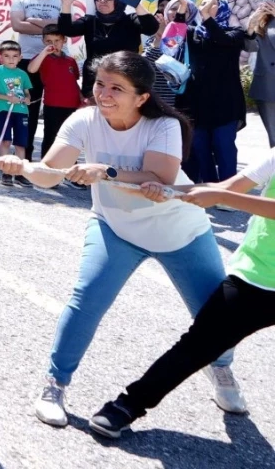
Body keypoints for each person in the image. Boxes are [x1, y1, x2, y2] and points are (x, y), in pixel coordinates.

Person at [0, 51, 244, 427]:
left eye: (117, 88)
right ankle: (55, 385)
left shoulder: (164, 125)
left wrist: (105, 170)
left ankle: (221, 368)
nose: (104, 94)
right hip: (114, 228)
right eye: (100, 84)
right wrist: (26, 168)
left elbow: (160, 178)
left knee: (215, 315)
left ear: (142, 97)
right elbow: (50, 173)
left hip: (179, 231)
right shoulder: (83, 119)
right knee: (85, 301)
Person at [87, 148, 275, 439]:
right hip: (257, 277)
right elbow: (228, 187)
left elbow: (226, 196)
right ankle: (128, 405)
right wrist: (167, 190)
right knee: (198, 345)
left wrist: (221, 197)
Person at [178, 0, 248, 184]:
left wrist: (207, 18)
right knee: (200, 148)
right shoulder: (194, 33)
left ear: (223, 8)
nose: (207, 6)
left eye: (213, 3)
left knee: (223, 147)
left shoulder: (235, 33)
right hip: (197, 103)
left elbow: (221, 39)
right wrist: (182, 7)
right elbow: (176, 30)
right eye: (204, 3)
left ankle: (229, 189)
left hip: (226, 103)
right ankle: (210, 188)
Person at [55, 0, 159, 97]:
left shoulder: (130, 20)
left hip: (126, 82)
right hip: (95, 84)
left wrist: (137, 5)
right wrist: (66, 4)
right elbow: (67, 30)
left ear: (118, 0)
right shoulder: (90, 21)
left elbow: (151, 28)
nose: (102, 0)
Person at [10, 0, 62, 158]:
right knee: (28, 111)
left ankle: (51, 159)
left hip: (56, 60)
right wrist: (51, 27)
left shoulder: (61, 1)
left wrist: (34, 21)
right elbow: (17, 25)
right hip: (27, 61)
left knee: (55, 111)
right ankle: (25, 156)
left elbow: (65, 27)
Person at [28, 25, 83, 160]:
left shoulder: (70, 61)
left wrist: (82, 99)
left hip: (72, 105)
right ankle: (46, 164)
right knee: (51, 136)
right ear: (43, 41)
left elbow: (74, 81)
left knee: (71, 137)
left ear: (64, 40)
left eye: (57, 40)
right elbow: (31, 69)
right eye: (49, 41)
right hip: (53, 105)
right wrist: (44, 53)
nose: (53, 44)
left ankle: (69, 165)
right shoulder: (42, 58)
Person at [0, 41, 33, 174]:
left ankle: (20, 172)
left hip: (21, 111)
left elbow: (27, 93)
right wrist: (7, 98)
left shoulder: (23, 74)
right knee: (5, 141)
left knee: (20, 143)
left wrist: (27, 99)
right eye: (7, 56)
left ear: (20, 57)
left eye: (15, 56)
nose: (11, 59)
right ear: (0, 57)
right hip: (4, 110)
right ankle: (5, 172)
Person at [245, 0, 275, 145]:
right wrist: (251, 25)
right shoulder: (262, 21)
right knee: (273, 137)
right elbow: (249, 47)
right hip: (266, 84)